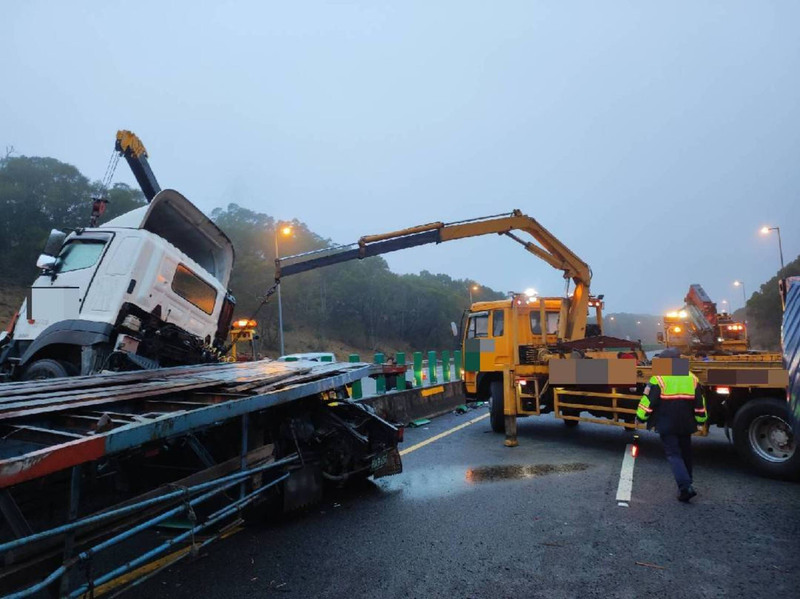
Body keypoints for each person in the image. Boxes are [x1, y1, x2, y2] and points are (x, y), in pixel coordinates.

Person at [636, 350, 708, 502]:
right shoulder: (692, 378)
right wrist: (701, 420)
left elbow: (648, 402)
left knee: (674, 454)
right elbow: (699, 403)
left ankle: (685, 487)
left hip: (666, 423)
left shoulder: (659, 379)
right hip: (687, 424)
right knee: (686, 453)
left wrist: (640, 417)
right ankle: (688, 481)